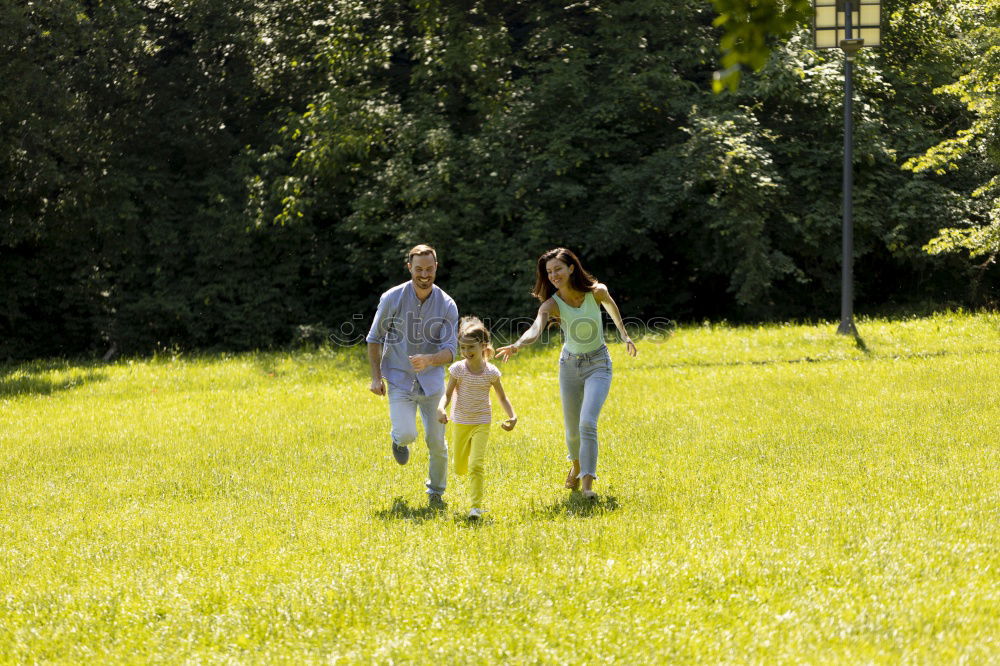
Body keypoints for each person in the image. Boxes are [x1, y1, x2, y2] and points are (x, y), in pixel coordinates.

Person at [496, 248, 637, 500]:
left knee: (587, 423)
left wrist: (624, 335)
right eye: (549, 272)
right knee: (572, 430)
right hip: (569, 366)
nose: (553, 275)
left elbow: (612, 307)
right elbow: (536, 328)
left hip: (598, 363)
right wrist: (517, 344)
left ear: (571, 268)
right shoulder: (552, 304)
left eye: (558, 269)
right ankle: (576, 465)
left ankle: (587, 486)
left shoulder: (597, 293)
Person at [366, 244, 458, 506]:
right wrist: (376, 377)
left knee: (436, 442)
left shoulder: (447, 304)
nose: (424, 274)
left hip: (432, 384)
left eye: (429, 268)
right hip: (398, 378)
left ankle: (436, 492)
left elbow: (451, 350)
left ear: (436, 267)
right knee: (408, 434)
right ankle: (398, 440)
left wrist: (430, 359)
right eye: (419, 269)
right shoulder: (392, 298)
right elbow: (374, 338)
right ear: (410, 268)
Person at [437, 316, 517, 520]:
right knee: (460, 467)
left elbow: (502, 396)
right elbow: (447, 394)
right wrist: (441, 408)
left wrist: (512, 415)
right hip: (461, 422)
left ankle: (475, 507)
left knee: (476, 465)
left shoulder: (491, 372)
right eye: (462, 348)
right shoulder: (458, 369)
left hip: (482, 421)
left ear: (483, 346)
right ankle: (468, 482)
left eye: (470, 347)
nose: (466, 352)